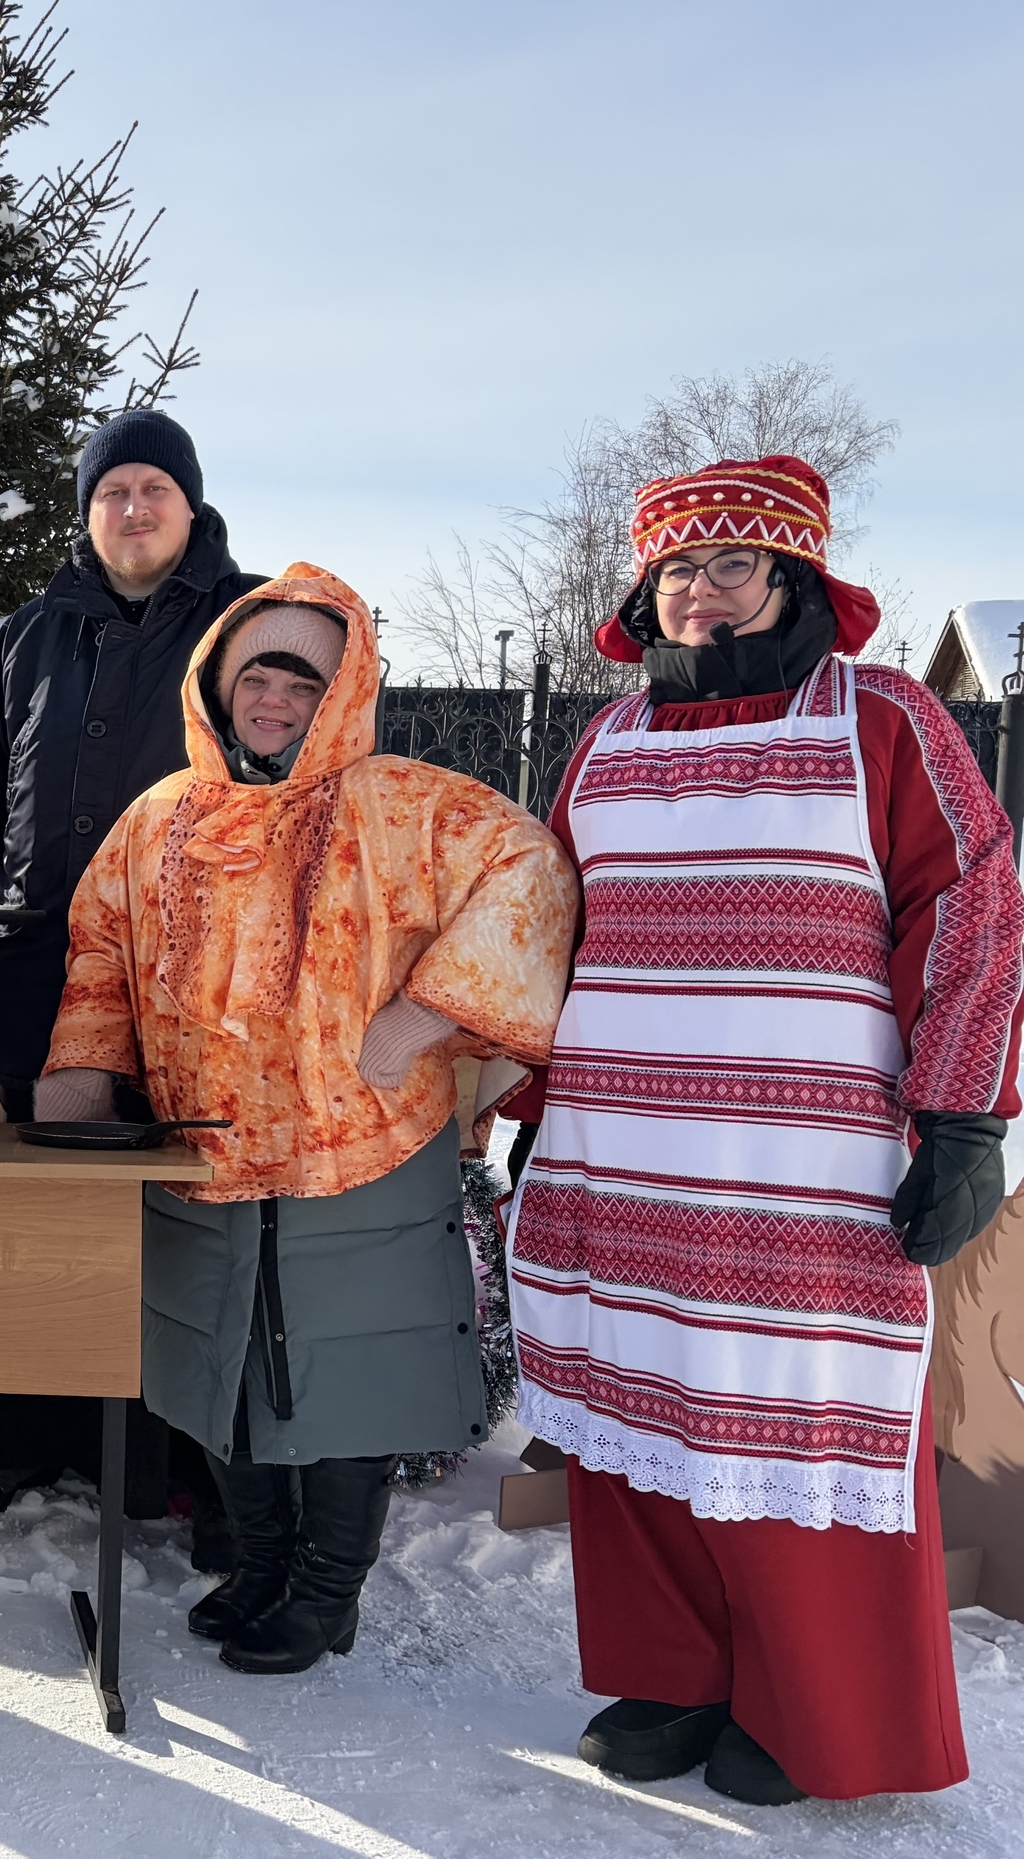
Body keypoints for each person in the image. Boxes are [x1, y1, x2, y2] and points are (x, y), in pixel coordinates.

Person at [508, 457, 1023, 1805]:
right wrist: (535, 1110)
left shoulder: (884, 716)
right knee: (636, 1400)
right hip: (621, 1155)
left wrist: (962, 1114)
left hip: (805, 1168)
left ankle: (817, 1709)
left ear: (794, 579)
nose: (703, 589)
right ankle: (673, 1670)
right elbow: (549, 936)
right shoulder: (607, 741)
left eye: (734, 563)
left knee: (798, 1418)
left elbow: (972, 908)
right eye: (679, 567)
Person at [42, 563, 576, 1674]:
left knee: (346, 1369)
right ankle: (260, 1565)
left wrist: (427, 1014)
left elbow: (532, 871)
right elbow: (98, 946)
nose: (275, 701)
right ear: (218, 685)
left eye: (302, 684)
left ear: (339, 696)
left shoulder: (406, 803)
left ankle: (328, 1593)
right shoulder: (156, 818)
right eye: (257, 679)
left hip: (363, 1142)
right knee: (219, 1363)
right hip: (205, 1142)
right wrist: (85, 1074)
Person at [0, 407, 267, 1536]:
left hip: (201, 980)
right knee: (36, 1211)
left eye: (153, 490)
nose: (133, 508)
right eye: (112, 491)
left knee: (192, 1215)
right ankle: (12, 1438)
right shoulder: (31, 636)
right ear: (88, 513)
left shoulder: (249, 619)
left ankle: (200, 1468)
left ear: (190, 504)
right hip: (39, 970)